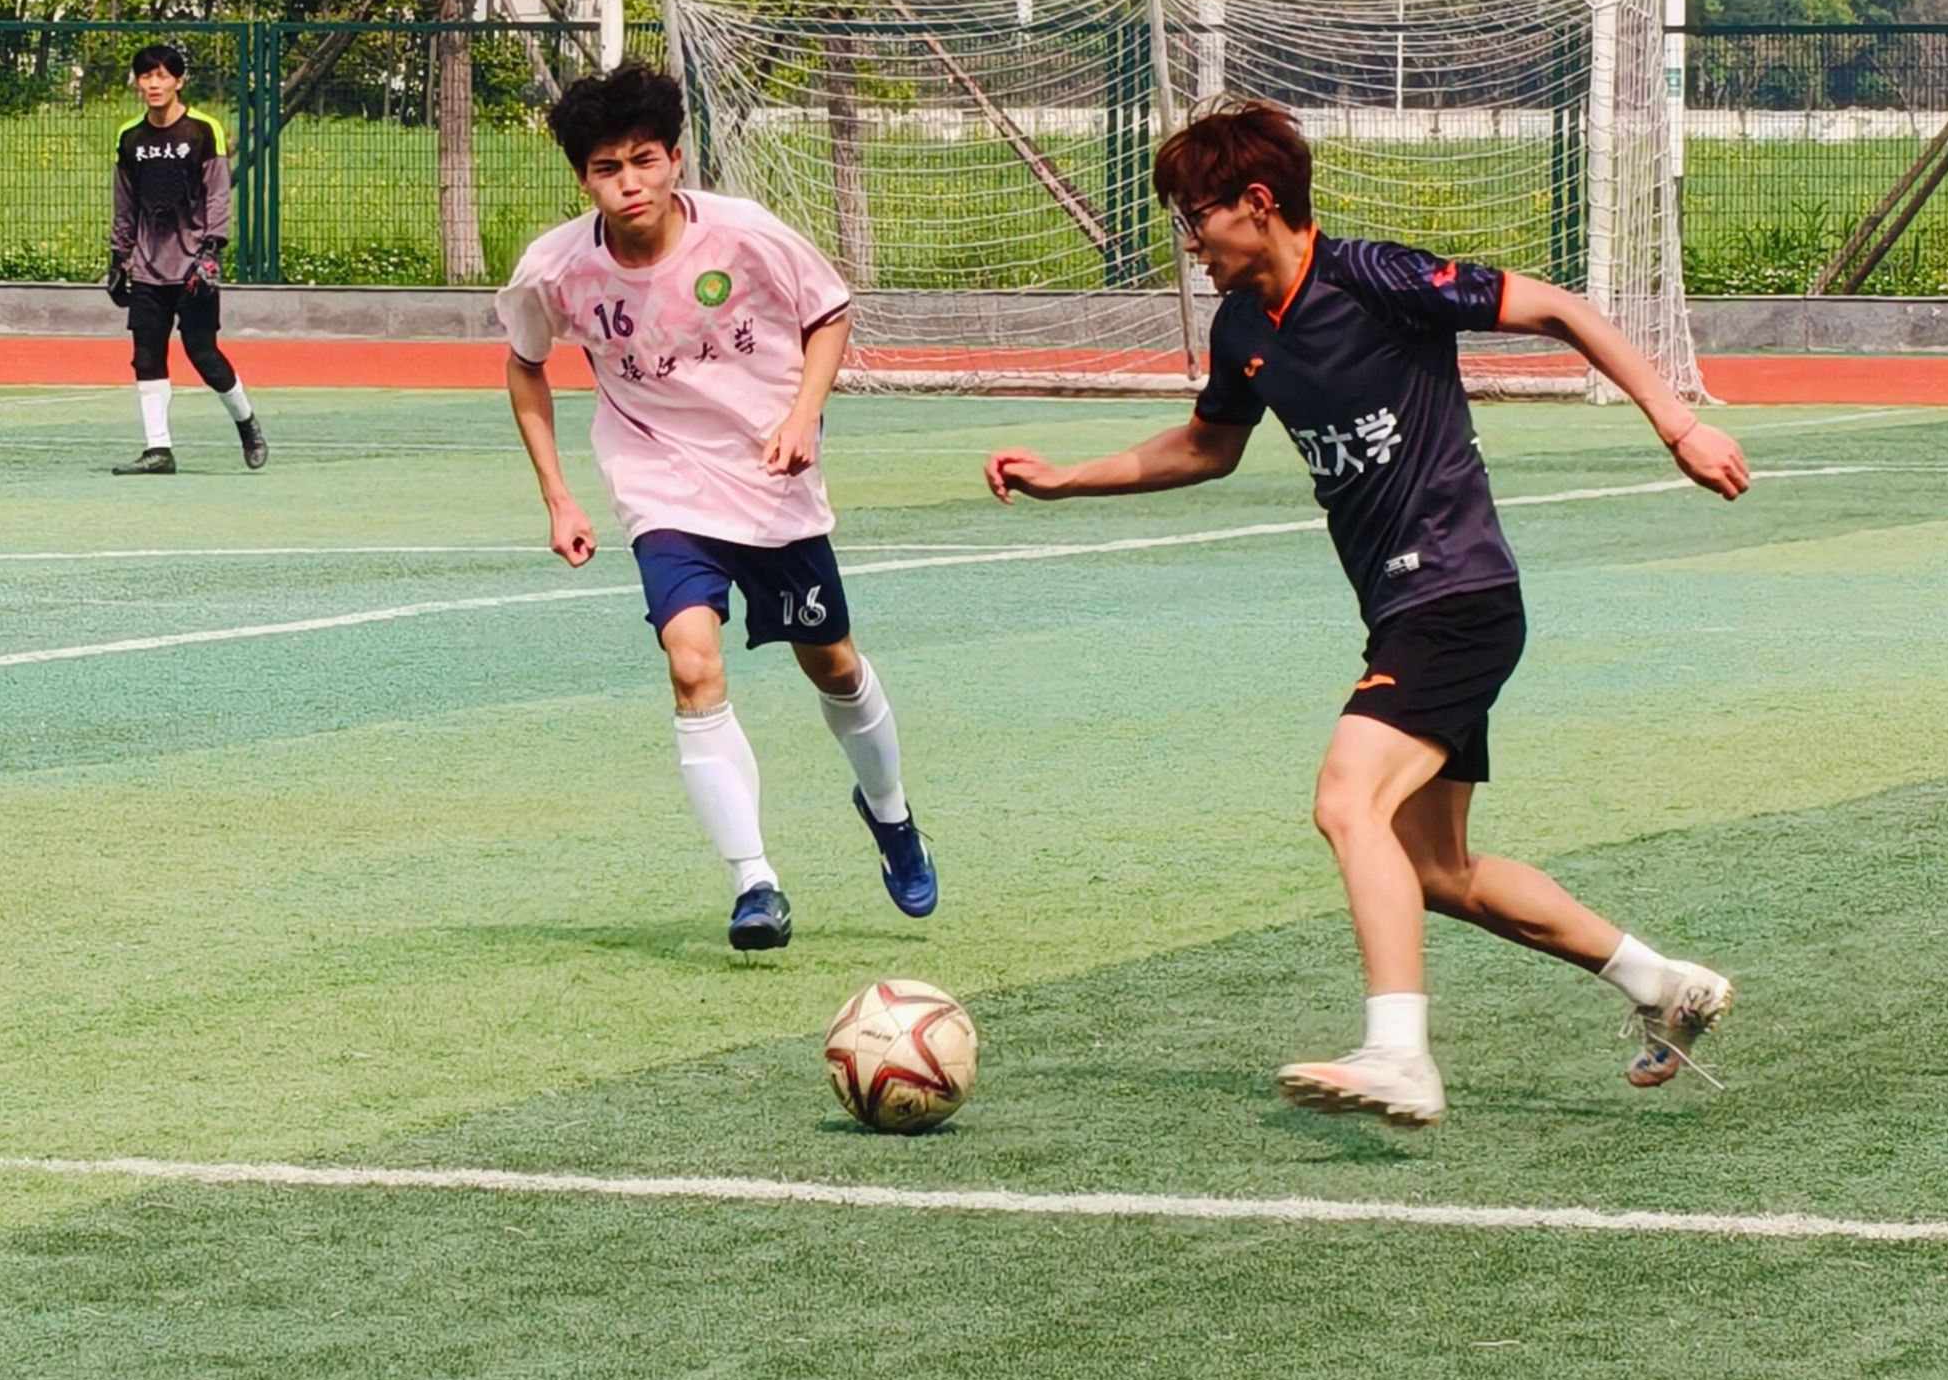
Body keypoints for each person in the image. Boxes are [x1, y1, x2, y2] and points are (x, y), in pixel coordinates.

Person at [984, 100, 1750, 1126]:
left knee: (1348, 801)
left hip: (1458, 594)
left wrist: (1677, 424)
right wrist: (1065, 478)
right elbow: (1208, 447)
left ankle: (1399, 1054)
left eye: (1195, 218)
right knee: (1436, 869)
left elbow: (1563, 310)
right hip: (1404, 608)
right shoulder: (1242, 328)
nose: (1189, 243)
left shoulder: (1376, 279)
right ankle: (1664, 986)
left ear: (1257, 204)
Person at [494, 63, 936, 952]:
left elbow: (830, 312)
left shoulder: (744, 234)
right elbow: (525, 364)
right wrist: (559, 497)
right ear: (583, 179)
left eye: (644, 161)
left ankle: (890, 814)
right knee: (692, 664)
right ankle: (753, 882)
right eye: (607, 168)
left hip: (769, 485)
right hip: (660, 487)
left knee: (833, 665)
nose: (629, 183)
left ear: (674, 159)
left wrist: (802, 416)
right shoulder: (556, 269)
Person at [107, 42, 266, 475]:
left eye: (162, 75)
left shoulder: (202, 131)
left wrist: (212, 250)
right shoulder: (129, 137)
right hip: (147, 266)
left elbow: (218, 194)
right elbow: (125, 202)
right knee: (146, 355)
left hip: (194, 264)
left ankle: (247, 425)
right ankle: (158, 449)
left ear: (179, 81)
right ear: (138, 82)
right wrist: (119, 257)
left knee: (203, 354)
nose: (153, 84)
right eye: (146, 76)